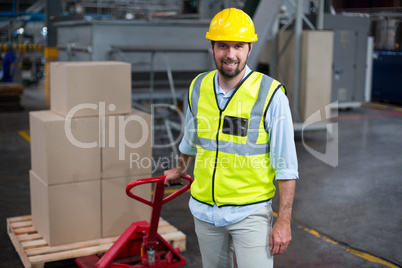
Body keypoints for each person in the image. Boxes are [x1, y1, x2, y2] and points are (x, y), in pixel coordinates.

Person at [164, 8, 298, 268]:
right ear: (212, 47)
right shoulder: (198, 87)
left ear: (249, 48)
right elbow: (192, 137)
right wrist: (180, 169)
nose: (230, 54)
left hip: (250, 212)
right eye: (223, 45)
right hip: (204, 211)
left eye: (238, 46)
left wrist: (283, 220)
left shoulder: (270, 94)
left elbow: (286, 164)